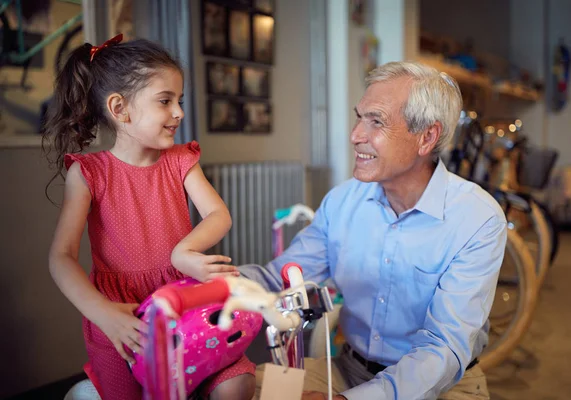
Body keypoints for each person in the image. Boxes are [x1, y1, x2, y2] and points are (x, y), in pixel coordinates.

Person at [239, 61, 508, 400]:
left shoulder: (476, 219)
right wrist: (196, 286)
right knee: (248, 389)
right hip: (348, 371)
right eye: (359, 117)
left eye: (376, 121)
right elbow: (278, 280)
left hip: (441, 385)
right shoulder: (342, 201)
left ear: (427, 137)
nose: (355, 135)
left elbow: (443, 350)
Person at [43, 34, 255, 400]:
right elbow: (60, 257)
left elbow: (218, 215)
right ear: (120, 108)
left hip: (184, 300)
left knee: (236, 383)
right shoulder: (89, 173)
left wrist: (183, 253)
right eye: (165, 101)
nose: (180, 113)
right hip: (122, 315)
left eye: (179, 100)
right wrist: (105, 315)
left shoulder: (181, 161)